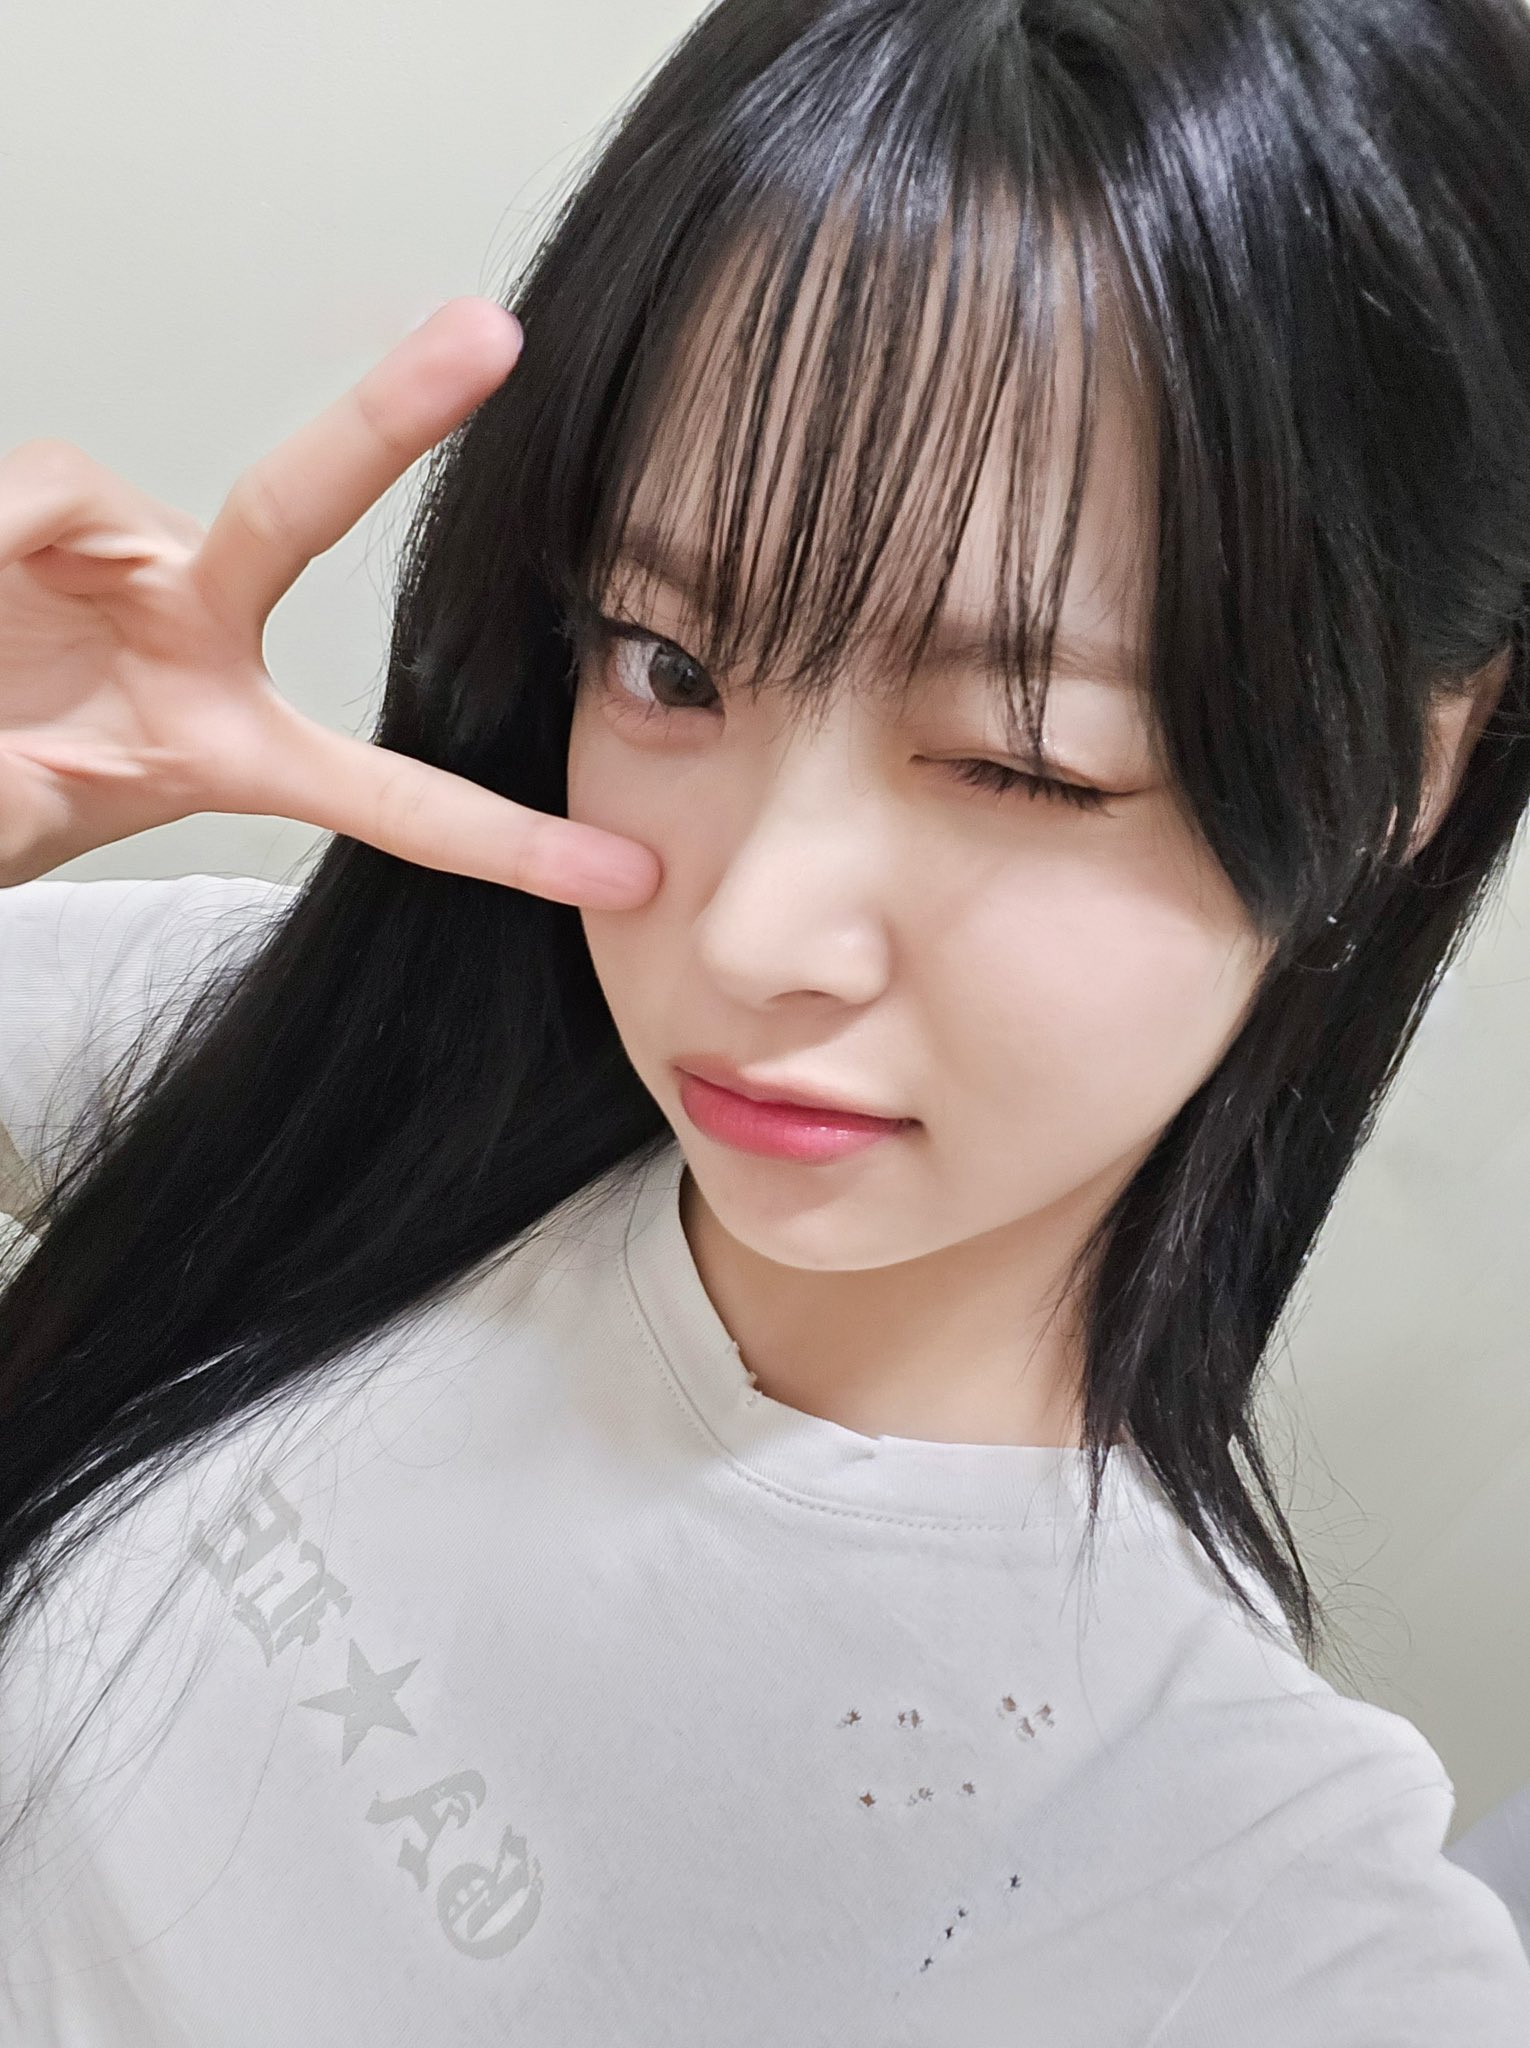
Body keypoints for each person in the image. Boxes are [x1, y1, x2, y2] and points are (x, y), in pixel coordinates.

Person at [1, 0, 1528, 2038]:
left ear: (1413, 763)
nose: (751, 931)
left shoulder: (1245, 1914)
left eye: (1019, 759)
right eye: (669, 662)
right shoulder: (322, 1093)